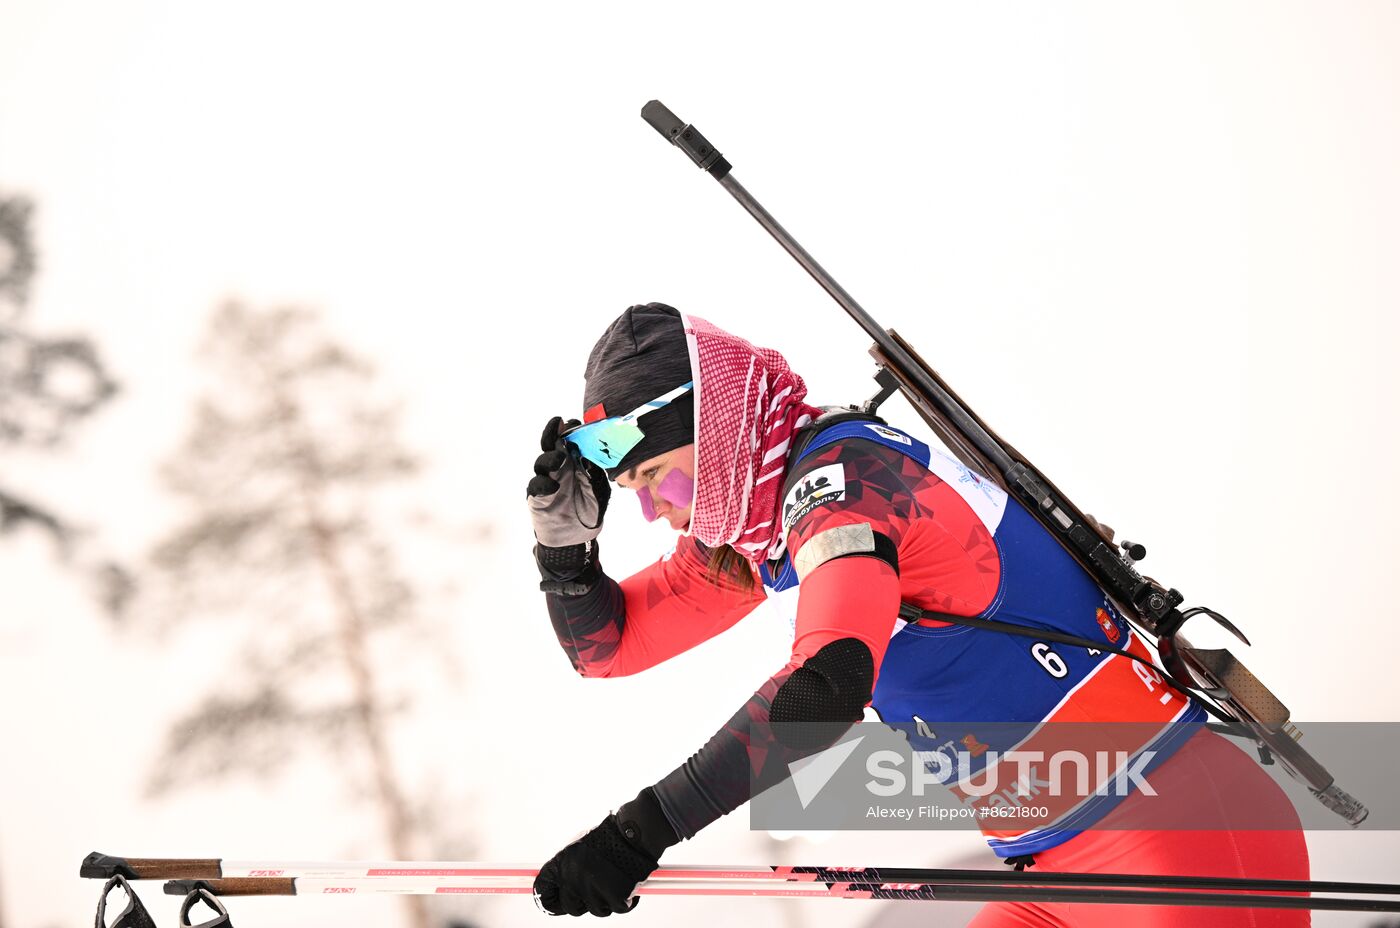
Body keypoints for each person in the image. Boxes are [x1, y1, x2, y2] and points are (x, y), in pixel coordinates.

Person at [525, 303, 1309, 925]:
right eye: (632, 493)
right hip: (1056, 869)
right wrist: (564, 555)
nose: (661, 514)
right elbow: (609, 649)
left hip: (1175, 838)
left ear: (720, 429)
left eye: (659, 476)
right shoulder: (770, 521)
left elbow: (826, 687)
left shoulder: (844, 487)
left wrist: (642, 832)